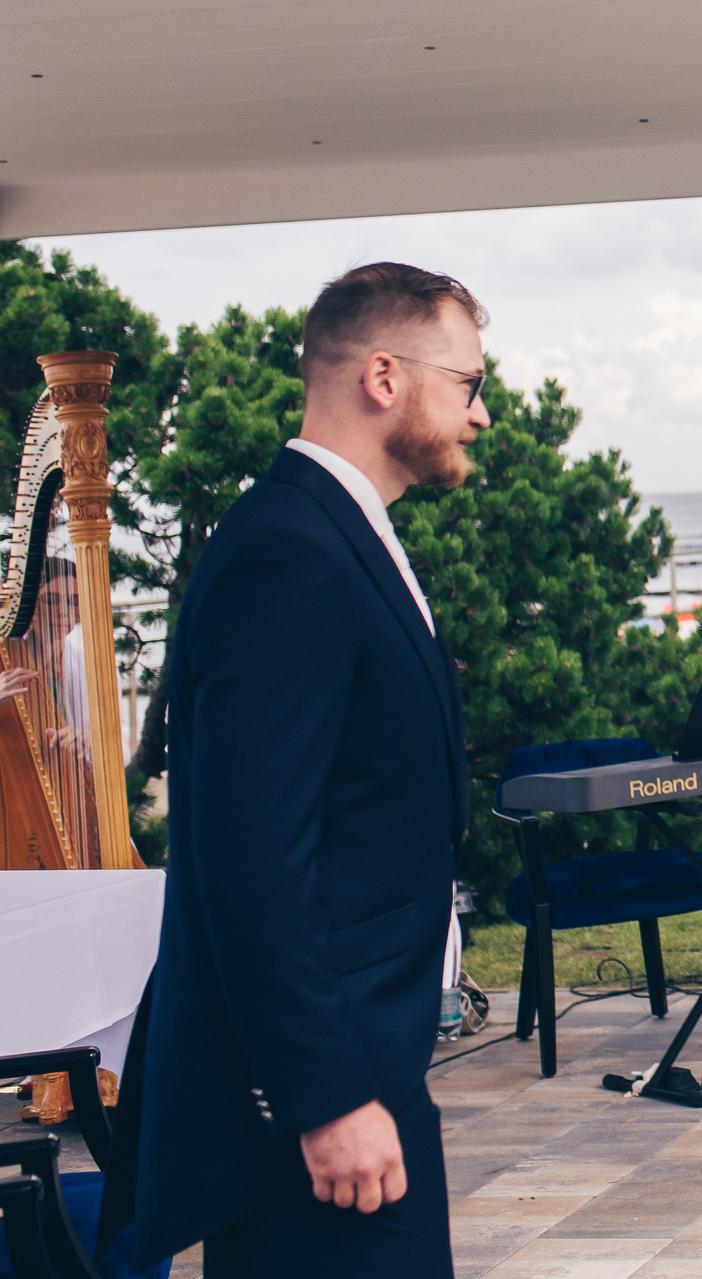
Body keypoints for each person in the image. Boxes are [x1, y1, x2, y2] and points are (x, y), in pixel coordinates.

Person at [131, 263, 490, 1275]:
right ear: (384, 376)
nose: (481, 413)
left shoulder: (335, 528)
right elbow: (250, 853)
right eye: (467, 383)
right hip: (321, 1095)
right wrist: (323, 1095)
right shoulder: (288, 548)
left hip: (370, 1059)